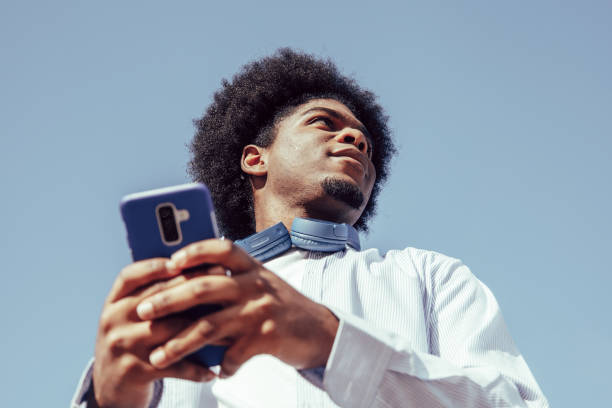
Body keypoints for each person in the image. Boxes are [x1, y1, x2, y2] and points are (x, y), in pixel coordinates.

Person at [71, 48, 549, 407]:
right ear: (255, 159)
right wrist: (108, 399)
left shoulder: (430, 276)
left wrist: (330, 342)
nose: (356, 138)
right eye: (324, 122)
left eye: (366, 142)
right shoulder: (174, 306)